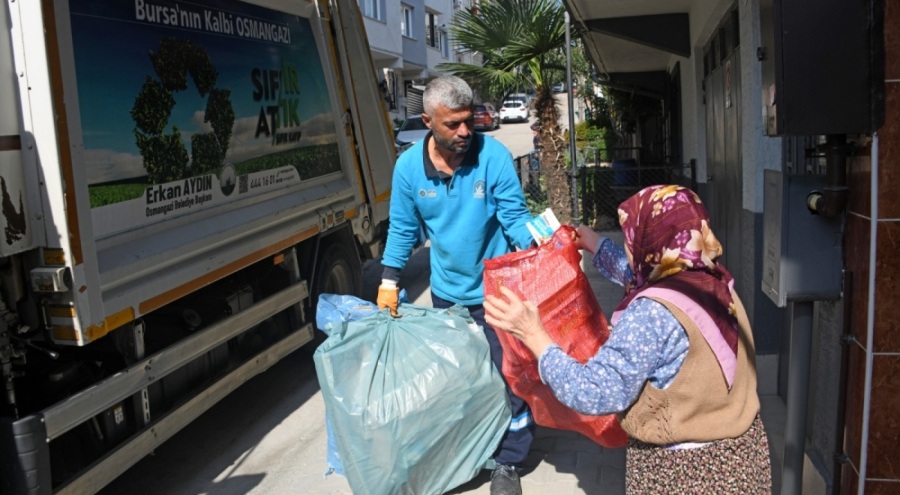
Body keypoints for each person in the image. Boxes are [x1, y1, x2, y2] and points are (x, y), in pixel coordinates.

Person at [483, 185, 773, 494]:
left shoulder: (652, 314)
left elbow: (595, 392)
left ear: (650, 237)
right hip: (743, 459)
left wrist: (533, 334)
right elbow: (637, 276)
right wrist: (596, 244)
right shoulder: (713, 281)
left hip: (686, 474)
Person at [376, 75, 536, 495]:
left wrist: (538, 247)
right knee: (463, 378)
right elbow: (403, 230)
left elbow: (514, 218)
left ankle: (508, 462)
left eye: (469, 121)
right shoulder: (409, 168)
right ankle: (472, 449)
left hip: (499, 290)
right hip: (448, 293)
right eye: (453, 124)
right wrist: (389, 280)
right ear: (427, 120)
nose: (466, 131)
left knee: (509, 375)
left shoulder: (493, 157)